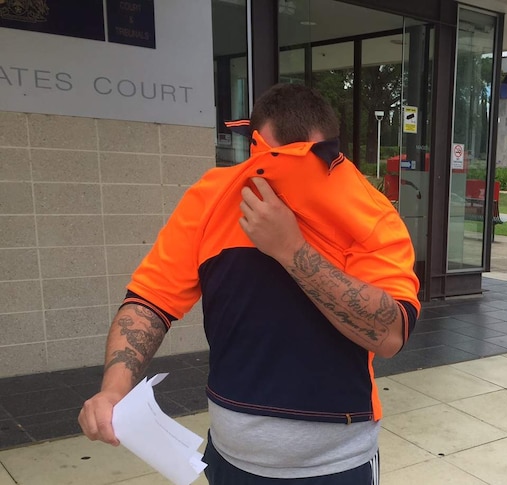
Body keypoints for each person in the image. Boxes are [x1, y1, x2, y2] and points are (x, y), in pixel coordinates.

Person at [78, 83, 421, 484]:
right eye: (282, 161)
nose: (303, 177)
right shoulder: (213, 197)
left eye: (320, 160)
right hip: (230, 461)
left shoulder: (368, 209)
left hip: (336, 466)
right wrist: (113, 390)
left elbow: (391, 333)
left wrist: (291, 249)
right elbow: (151, 299)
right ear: (256, 148)